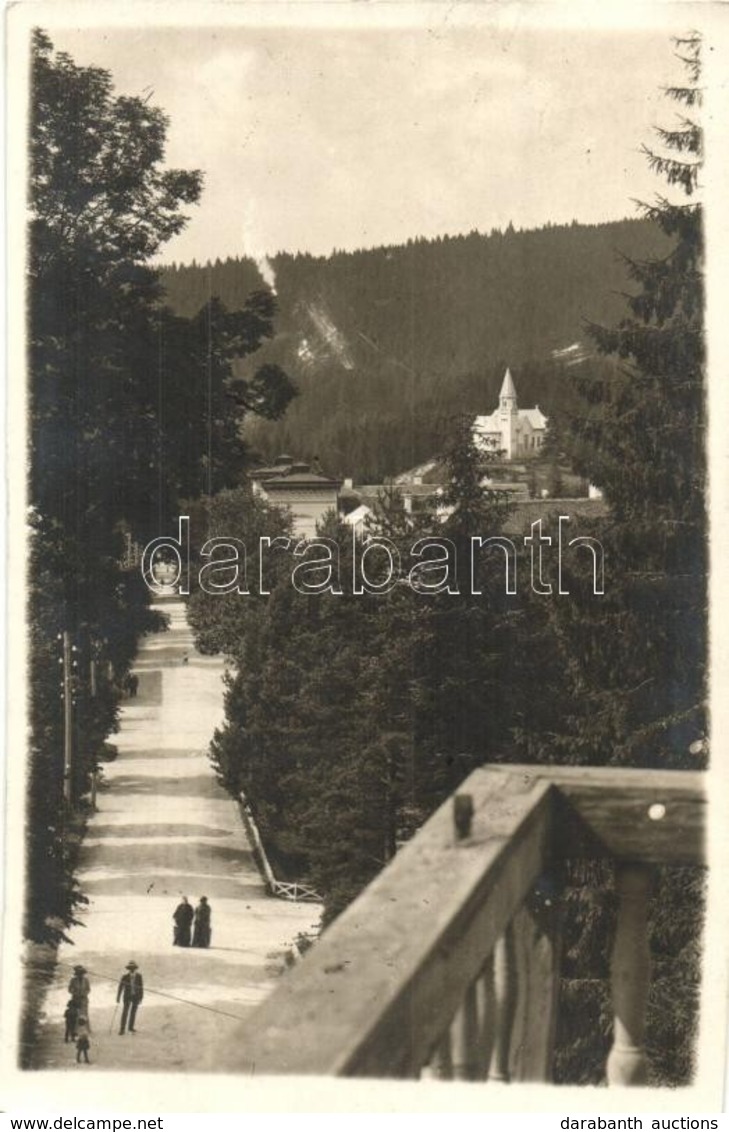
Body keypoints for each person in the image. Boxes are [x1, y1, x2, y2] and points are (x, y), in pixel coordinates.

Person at [116, 960, 144, 1035]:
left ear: (135, 968)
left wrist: (141, 998)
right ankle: (122, 1029)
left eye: (133, 968)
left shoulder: (139, 976)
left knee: (133, 1013)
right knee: (125, 1012)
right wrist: (118, 997)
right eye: (130, 968)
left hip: (136, 997)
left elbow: (141, 988)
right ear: (128, 969)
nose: (132, 969)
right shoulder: (124, 977)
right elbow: (120, 987)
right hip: (127, 997)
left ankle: (130, 1028)